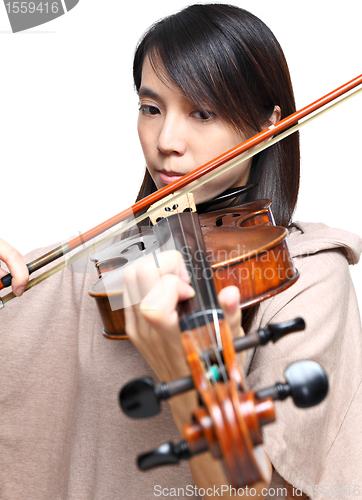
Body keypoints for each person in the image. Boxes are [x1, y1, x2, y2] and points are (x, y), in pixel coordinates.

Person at [0, 4, 361, 500]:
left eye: (203, 112)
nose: (166, 141)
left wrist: (190, 377)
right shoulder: (98, 267)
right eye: (151, 109)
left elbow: (258, 494)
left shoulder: (306, 277)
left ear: (268, 125)